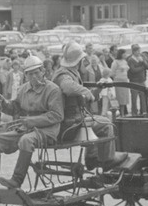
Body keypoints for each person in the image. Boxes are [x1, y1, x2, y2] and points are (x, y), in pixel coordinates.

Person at [0, 55, 63, 189]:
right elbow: (14, 108)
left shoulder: (53, 89)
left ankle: (16, 180)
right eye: (30, 74)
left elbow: (57, 115)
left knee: (26, 140)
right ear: (25, 75)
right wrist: (2, 103)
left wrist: (32, 121)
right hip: (27, 128)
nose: (34, 76)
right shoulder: (23, 89)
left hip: (47, 130)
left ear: (43, 71)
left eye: (36, 72)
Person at [52, 42, 128, 171]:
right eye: (83, 60)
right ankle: (107, 159)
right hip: (69, 125)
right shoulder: (63, 75)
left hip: (71, 121)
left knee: (93, 120)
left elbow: (81, 98)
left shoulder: (69, 73)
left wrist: (97, 89)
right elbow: (68, 88)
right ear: (79, 61)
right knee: (106, 124)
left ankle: (92, 158)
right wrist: (86, 91)